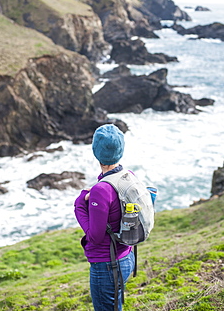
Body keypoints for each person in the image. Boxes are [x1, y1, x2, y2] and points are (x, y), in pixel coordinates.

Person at [74, 123, 135, 311]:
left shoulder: (101, 189)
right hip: (127, 256)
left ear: (95, 151)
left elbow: (95, 236)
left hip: (107, 266)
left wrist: (79, 204)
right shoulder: (127, 176)